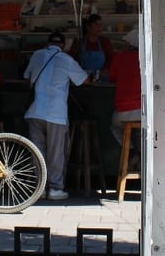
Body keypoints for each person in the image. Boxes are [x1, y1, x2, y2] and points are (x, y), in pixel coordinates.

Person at [24, 30, 88, 201]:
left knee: (37, 151)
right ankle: (55, 188)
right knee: (56, 152)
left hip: (35, 110)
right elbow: (83, 80)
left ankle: (39, 188)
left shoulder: (37, 55)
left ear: (47, 43)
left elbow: (27, 77)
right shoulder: (67, 60)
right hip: (56, 113)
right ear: (63, 45)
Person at [108, 29, 141, 151]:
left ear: (129, 44)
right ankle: (139, 154)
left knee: (115, 127)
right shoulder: (147, 58)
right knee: (143, 131)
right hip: (142, 112)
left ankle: (130, 151)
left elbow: (112, 77)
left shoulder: (119, 57)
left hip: (121, 113)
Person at [69, 14, 114, 78]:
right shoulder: (78, 42)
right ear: (88, 26)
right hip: (82, 78)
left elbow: (111, 59)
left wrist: (106, 69)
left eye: (101, 25)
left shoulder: (105, 42)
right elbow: (70, 60)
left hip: (101, 78)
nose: (100, 28)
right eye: (96, 25)